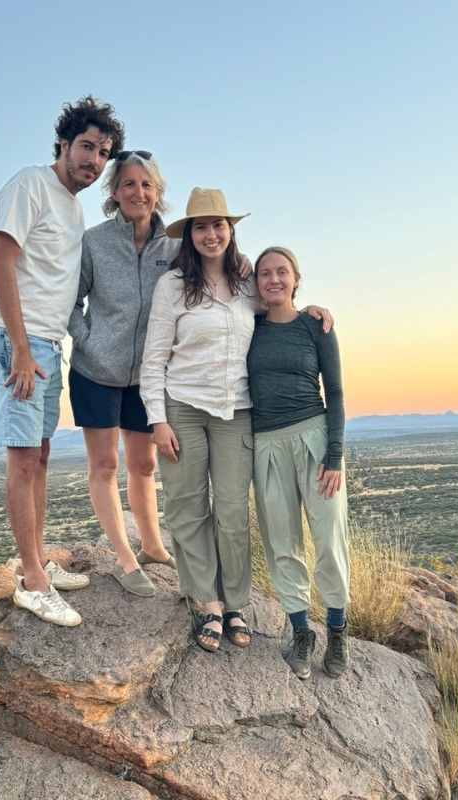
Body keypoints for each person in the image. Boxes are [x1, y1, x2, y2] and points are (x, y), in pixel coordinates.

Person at [0, 96, 125, 626]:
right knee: (22, 460)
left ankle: (37, 560)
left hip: (46, 343)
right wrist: (19, 347)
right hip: (16, 338)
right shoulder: (30, 183)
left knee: (39, 456)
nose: (94, 160)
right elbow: (1, 262)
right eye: (87, 146)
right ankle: (33, 582)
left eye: (104, 152)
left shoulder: (75, 204)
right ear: (63, 144)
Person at [139, 188, 259, 651]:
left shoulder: (248, 285)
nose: (212, 234)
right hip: (182, 409)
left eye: (219, 225)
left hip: (237, 410)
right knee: (187, 508)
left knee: (231, 510)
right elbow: (154, 359)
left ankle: (236, 603)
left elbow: (280, 307)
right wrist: (157, 420)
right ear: (189, 235)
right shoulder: (172, 286)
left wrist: (312, 311)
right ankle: (207, 602)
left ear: (231, 231)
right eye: (202, 227)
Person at [66, 151, 178, 597]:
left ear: (158, 192)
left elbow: (221, 276)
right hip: (95, 372)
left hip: (148, 376)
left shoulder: (173, 247)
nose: (139, 192)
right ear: (114, 193)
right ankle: (124, 558)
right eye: (129, 184)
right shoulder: (93, 242)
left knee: (144, 463)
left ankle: (152, 546)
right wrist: (89, 340)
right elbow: (70, 302)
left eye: (146, 184)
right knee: (106, 464)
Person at [247, 246, 350, 679]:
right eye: (265, 273)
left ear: (295, 278)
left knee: (328, 538)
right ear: (255, 282)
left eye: (282, 272)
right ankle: (301, 632)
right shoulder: (247, 326)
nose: (274, 279)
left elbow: (337, 393)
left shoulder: (316, 326)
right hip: (266, 444)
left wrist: (335, 455)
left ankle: (338, 629)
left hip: (314, 438)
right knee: (282, 543)